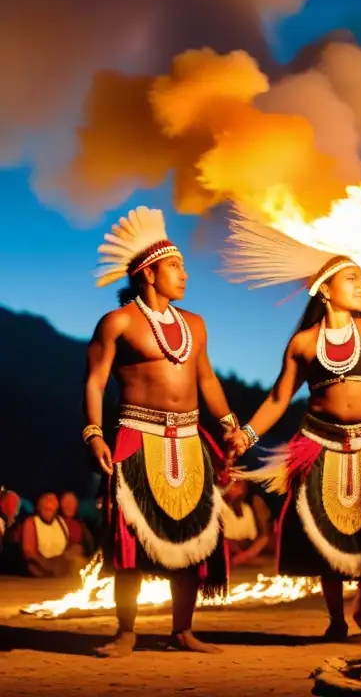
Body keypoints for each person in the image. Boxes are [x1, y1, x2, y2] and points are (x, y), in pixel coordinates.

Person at [221, 209, 361, 640]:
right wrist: (247, 434)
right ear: (326, 290)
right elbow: (278, 398)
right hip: (319, 446)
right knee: (324, 532)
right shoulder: (303, 344)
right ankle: (336, 620)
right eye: (353, 279)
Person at [84, 206, 244, 657]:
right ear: (149, 274)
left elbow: (207, 380)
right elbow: (94, 381)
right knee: (130, 540)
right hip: (136, 435)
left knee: (193, 536)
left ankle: (183, 630)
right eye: (176, 266)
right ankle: (126, 632)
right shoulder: (117, 323)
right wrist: (94, 434)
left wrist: (229, 425)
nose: (185, 274)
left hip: (191, 439)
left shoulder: (194, 324)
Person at [20, 492, 85, 577]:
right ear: (39, 507)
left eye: (51, 508)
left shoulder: (61, 522)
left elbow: (73, 545)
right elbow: (28, 551)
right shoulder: (31, 522)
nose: (49, 502)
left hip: (61, 561)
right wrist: (47, 564)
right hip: (41, 565)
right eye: (46, 508)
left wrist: (67, 555)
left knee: (78, 557)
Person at [220, 480, 273, 567]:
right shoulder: (222, 509)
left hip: (243, 558)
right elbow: (226, 541)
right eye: (236, 484)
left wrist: (245, 554)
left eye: (242, 485)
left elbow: (252, 538)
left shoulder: (246, 509)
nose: (241, 489)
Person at [59, 491, 96, 557]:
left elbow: (90, 547)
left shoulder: (81, 525)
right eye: (66, 502)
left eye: (72, 502)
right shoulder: (56, 522)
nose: (69, 505)